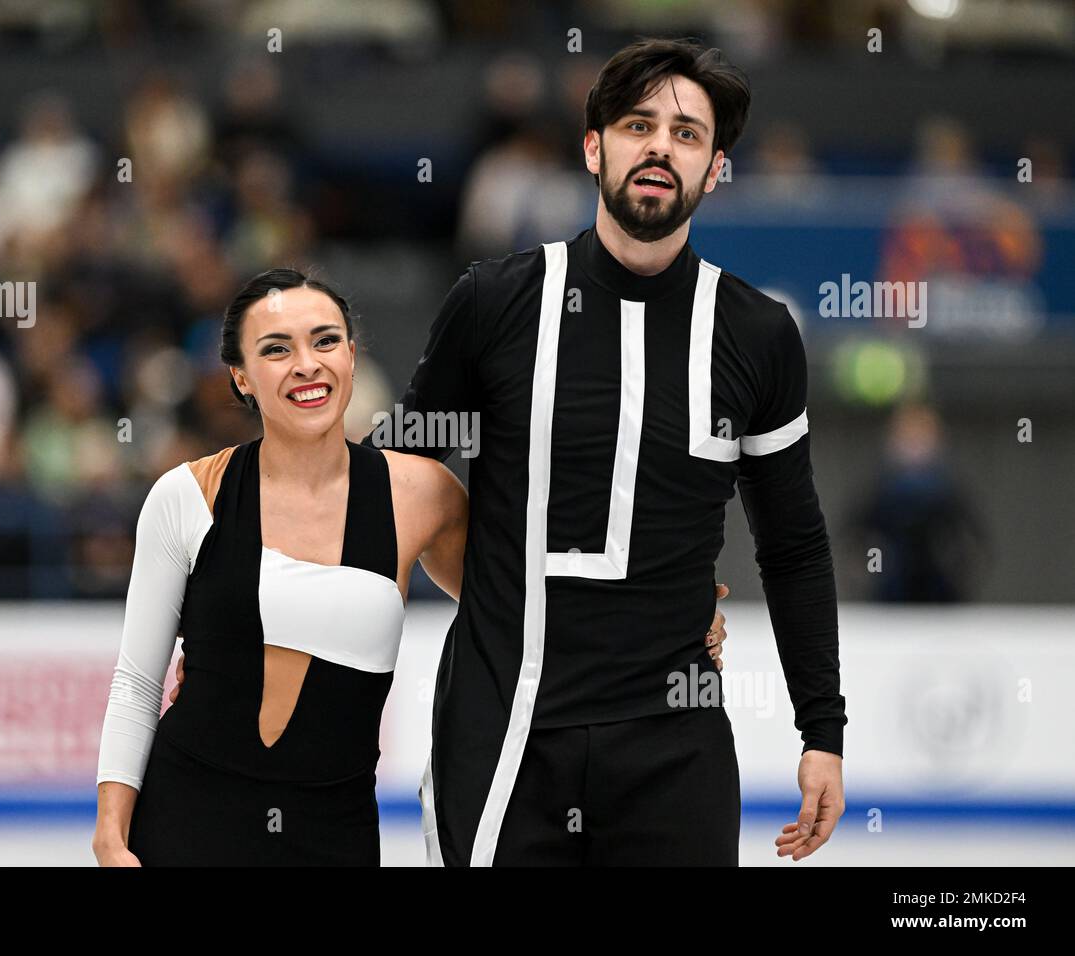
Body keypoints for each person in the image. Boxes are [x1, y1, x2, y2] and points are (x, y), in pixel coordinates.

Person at [356, 37, 845, 865]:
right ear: (594, 149)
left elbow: (793, 544)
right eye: (637, 124)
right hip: (502, 734)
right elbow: (386, 486)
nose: (660, 145)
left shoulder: (760, 336)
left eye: (688, 134)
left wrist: (821, 730)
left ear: (715, 169)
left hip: (674, 747)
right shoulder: (496, 302)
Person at [91, 265, 738, 865]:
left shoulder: (420, 495)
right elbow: (137, 682)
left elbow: (526, 608)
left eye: (325, 341)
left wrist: (672, 608)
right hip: (186, 822)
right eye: (276, 349)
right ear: (240, 375)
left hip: (335, 833)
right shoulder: (186, 497)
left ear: (351, 354)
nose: (306, 365)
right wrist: (112, 834)